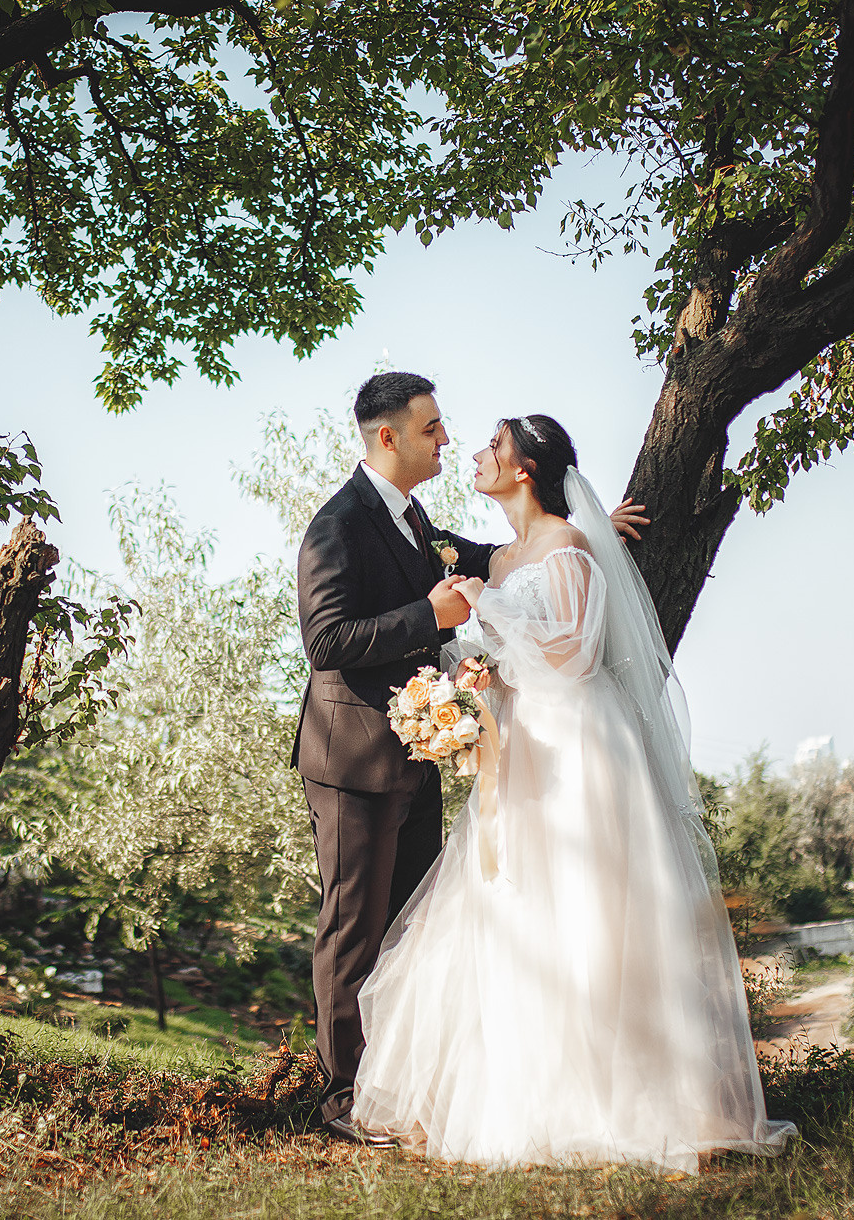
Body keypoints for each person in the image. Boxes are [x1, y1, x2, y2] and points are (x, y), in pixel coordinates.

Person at [350, 414, 795, 1172]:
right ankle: (527, 1092)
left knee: (588, 910)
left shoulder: (568, 544)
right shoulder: (502, 558)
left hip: (577, 746)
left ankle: (619, 1099)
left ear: (525, 469)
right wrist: (465, 678)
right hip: (516, 747)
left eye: (494, 446)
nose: (478, 454)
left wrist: (486, 612)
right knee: (517, 909)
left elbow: (576, 652)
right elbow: (497, 639)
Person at [293, 376, 646, 1145]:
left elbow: (498, 556)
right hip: (352, 756)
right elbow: (327, 641)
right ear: (388, 437)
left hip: (420, 754)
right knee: (355, 928)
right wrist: (433, 615)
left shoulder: (414, 517)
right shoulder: (337, 526)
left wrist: (590, 528)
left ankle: (400, 1085)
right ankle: (345, 1099)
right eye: (432, 428)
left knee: (407, 933)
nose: (446, 440)